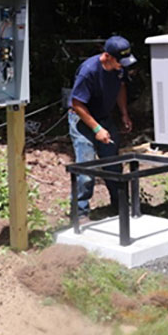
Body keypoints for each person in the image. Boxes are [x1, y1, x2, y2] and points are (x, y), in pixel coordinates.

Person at [68, 35, 136, 219]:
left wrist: (124, 113)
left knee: (113, 165)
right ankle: (80, 213)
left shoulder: (118, 69)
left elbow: (121, 87)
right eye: (119, 61)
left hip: (104, 117)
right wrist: (97, 129)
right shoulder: (88, 71)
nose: (123, 65)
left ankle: (121, 206)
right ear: (107, 56)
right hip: (82, 119)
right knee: (86, 169)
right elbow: (77, 103)